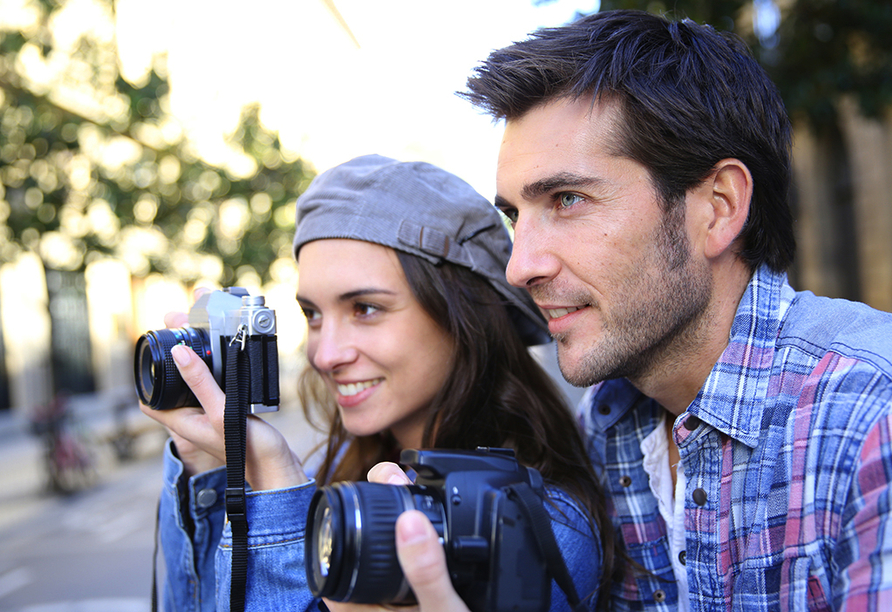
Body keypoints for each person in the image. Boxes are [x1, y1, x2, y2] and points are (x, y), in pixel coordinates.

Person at [348, 9, 892, 612]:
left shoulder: (870, 422)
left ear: (717, 207)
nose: (519, 266)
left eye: (567, 199)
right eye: (515, 218)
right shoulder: (606, 428)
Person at [141, 154, 616, 611]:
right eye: (312, 315)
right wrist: (206, 463)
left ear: (464, 319)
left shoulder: (531, 526)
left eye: (365, 309)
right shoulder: (341, 464)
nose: (325, 356)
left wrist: (275, 483)